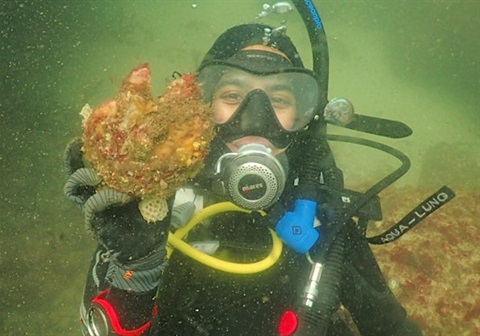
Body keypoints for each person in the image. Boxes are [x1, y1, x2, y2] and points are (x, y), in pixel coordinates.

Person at [64, 23, 423, 336]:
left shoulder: (325, 222)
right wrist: (136, 267)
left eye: (278, 99)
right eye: (233, 95)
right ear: (201, 109)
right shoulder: (155, 207)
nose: (255, 118)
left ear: (304, 119)